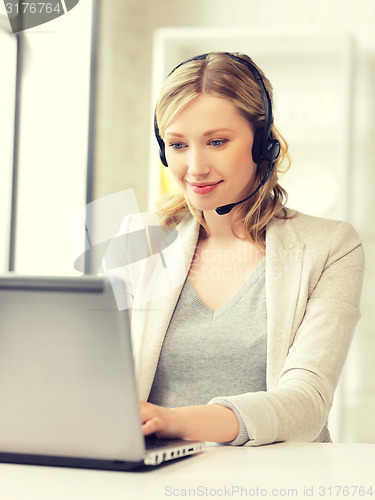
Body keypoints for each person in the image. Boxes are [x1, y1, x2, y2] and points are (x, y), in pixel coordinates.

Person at [109, 52, 364, 446]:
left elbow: (306, 403)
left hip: (279, 478)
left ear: (263, 144)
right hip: (155, 475)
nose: (195, 167)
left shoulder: (330, 247)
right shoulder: (139, 238)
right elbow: (100, 374)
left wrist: (172, 421)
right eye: (177, 145)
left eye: (216, 141)